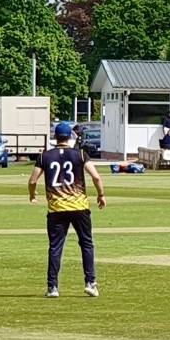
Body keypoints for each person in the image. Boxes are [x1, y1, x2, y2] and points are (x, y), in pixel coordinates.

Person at [29, 122, 106, 298]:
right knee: (86, 244)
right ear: (70, 137)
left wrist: (32, 195)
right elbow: (96, 176)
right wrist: (101, 195)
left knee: (55, 247)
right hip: (79, 206)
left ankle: (52, 287)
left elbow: (33, 180)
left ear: (55, 137)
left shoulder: (44, 156)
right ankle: (90, 283)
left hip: (56, 208)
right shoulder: (80, 154)